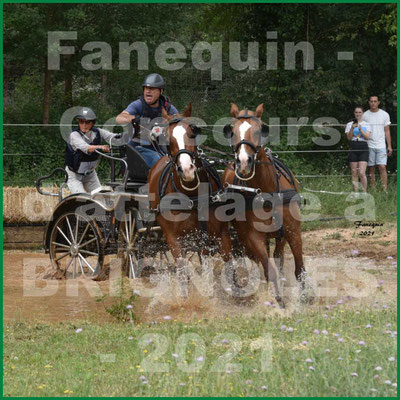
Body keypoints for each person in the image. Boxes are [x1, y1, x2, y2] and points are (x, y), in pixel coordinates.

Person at [116, 73, 179, 168]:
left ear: (161, 91)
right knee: (162, 162)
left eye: (152, 89)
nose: (148, 91)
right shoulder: (138, 104)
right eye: (146, 88)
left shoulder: (167, 106)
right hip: (138, 148)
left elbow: (179, 122)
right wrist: (133, 118)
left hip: (159, 147)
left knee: (178, 159)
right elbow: (119, 118)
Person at [65, 107, 119, 194]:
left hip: (90, 174)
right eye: (81, 122)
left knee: (100, 197)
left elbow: (113, 137)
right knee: (82, 199)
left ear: (93, 123)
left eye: (87, 122)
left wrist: (126, 136)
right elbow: (87, 148)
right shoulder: (74, 135)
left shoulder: (98, 132)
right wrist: (101, 147)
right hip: (74, 175)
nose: (84, 125)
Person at [362, 95, 392, 191]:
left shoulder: (384, 114)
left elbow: (387, 131)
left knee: (382, 167)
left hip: (381, 145)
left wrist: (389, 146)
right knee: (371, 167)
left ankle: (384, 189)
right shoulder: (365, 115)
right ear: (369, 102)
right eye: (371, 101)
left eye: (375, 101)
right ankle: (373, 188)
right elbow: (362, 131)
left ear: (378, 102)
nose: (373, 103)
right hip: (369, 145)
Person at [345, 106, 371, 192]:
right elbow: (348, 137)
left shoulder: (367, 124)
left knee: (362, 172)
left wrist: (360, 129)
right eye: (356, 112)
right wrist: (352, 128)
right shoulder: (349, 124)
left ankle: (364, 192)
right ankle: (355, 192)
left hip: (363, 146)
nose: (358, 114)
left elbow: (367, 137)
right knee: (354, 172)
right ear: (354, 113)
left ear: (362, 113)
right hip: (353, 146)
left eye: (360, 112)